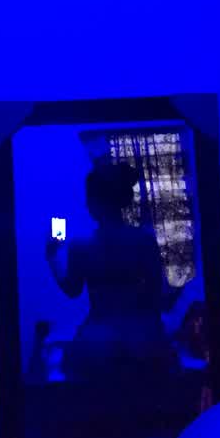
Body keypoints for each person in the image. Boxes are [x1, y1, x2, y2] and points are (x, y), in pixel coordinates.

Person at [46, 161, 179, 383]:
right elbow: (161, 295)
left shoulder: (81, 245)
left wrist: (52, 257)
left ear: (94, 203)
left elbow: (72, 290)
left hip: (97, 343)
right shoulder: (145, 241)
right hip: (145, 340)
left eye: (88, 198)